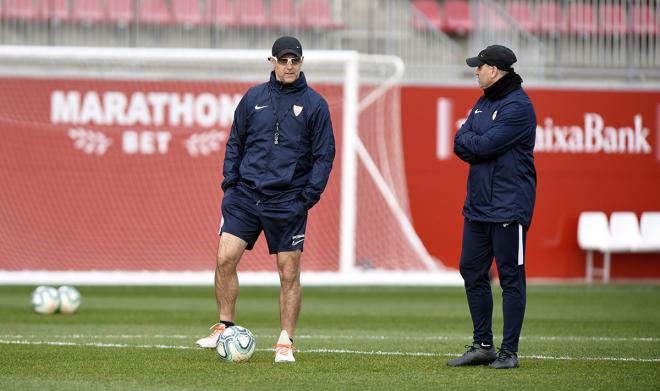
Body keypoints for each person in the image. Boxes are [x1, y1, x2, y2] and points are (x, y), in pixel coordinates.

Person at [195, 36, 335, 363]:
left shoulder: (315, 105)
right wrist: (231, 182)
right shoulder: (253, 97)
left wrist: (306, 198)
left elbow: (324, 156)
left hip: (288, 201)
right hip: (244, 195)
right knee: (224, 258)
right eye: (283, 60)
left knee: (288, 272)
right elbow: (235, 142)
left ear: (301, 62)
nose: (289, 66)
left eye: (295, 61)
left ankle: (285, 341)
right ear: (271, 61)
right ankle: (224, 326)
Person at [448, 45, 537, 369]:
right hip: (478, 205)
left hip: (508, 206)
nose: (476, 71)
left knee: (511, 277)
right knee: (471, 270)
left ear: (494, 70)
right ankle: (483, 345)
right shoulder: (483, 101)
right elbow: (461, 141)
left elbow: (481, 145)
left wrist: (476, 144)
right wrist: (476, 145)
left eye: (479, 66)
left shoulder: (519, 108)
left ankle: (509, 352)